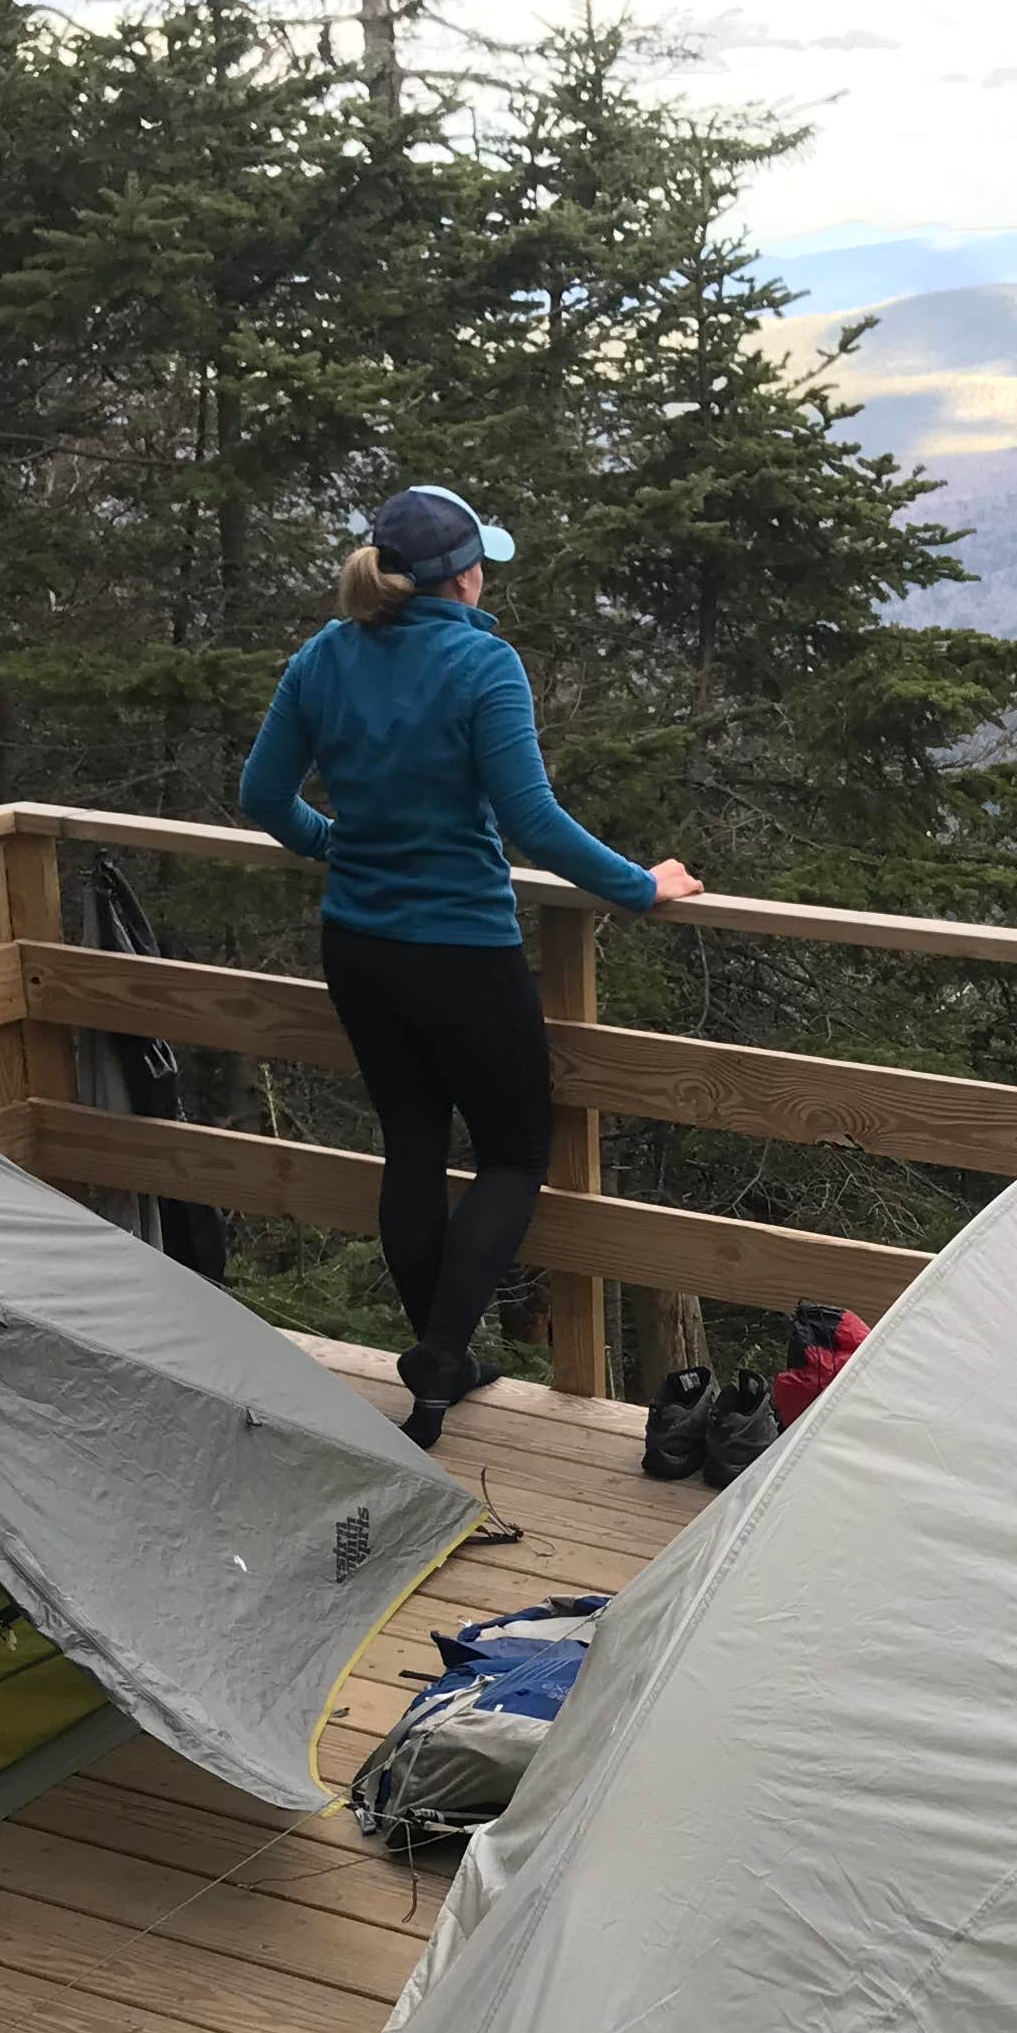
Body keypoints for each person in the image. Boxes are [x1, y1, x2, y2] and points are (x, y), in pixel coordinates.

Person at [239, 485, 699, 1448]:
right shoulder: (485, 663)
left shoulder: (324, 656)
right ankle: (444, 1358)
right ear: (463, 576)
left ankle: (442, 1358)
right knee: (515, 1155)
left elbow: (262, 793)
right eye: (483, 560)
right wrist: (641, 887)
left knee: (412, 1150)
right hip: (462, 951)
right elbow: (531, 822)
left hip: (359, 949)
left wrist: (338, 845)